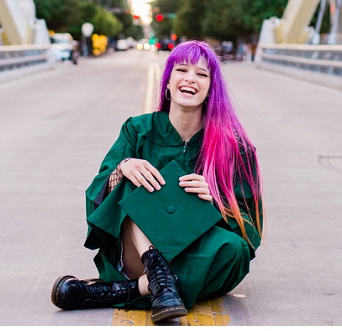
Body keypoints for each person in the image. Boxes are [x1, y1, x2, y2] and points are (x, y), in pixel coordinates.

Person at [51, 41, 264, 323]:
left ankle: (134, 288)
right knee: (133, 174)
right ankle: (155, 268)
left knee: (234, 250)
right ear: (167, 83)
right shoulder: (138, 130)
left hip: (193, 257)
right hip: (136, 252)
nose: (190, 78)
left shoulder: (233, 147)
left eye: (202, 74)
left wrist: (215, 199)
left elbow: (250, 226)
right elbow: (98, 196)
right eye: (182, 70)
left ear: (211, 88)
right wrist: (122, 168)